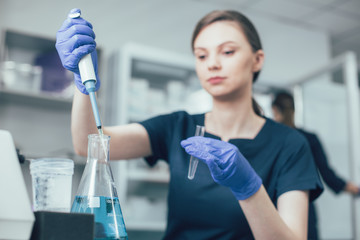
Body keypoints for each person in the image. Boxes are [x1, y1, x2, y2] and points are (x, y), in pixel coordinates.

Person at [56, 8, 323, 239]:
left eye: (227, 52)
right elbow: (88, 143)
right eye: (202, 55)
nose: (213, 64)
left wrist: (248, 188)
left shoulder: (290, 145)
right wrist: (83, 81)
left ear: (257, 60)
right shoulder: (177, 127)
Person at [272, 91, 360, 240]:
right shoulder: (308, 138)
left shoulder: (271, 139)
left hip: (274, 207)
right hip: (303, 208)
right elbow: (327, 174)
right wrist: (353, 188)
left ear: (275, 111)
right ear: (294, 110)